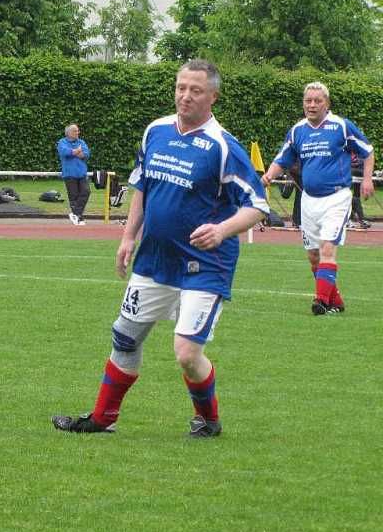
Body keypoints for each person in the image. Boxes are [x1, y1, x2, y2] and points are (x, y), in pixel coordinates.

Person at [52, 60, 268, 438]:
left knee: (186, 354)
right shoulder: (156, 131)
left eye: (195, 90)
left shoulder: (222, 147)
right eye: (181, 87)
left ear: (213, 97)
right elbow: (143, 187)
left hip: (204, 264)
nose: (186, 95)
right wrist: (128, 237)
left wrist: (221, 230)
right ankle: (103, 419)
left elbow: (257, 205)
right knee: (125, 336)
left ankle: (208, 419)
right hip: (154, 260)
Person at [261, 82, 374, 315]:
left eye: (317, 101)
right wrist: (267, 177)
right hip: (308, 200)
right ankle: (336, 302)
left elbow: (368, 151)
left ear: (327, 103)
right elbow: (282, 159)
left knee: (327, 248)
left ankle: (320, 301)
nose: (312, 105)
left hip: (336, 197)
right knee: (313, 256)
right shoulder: (297, 131)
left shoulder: (341, 126)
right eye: (308, 101)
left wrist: (366, 179)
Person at [57, 124, 91, 225]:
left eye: (78, 131)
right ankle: (79, 217)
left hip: (81, 173)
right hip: (69, 174)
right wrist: (76, 151)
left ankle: (75, 214)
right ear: (69, 133)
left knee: (86, 192)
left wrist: (75, 153)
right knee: (74, 196)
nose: (78, 132)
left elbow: (86, 154)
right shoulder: (62, 142)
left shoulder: (82, 142)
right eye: (76, 131)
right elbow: (64, 152)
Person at [349, 151, 371, 229]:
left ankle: (357, 219)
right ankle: (358, 219)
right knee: (348, 198)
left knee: (356, 197)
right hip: (346, 177)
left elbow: (363, 164)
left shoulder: (360, 153)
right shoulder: (344, 151)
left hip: (357, 176)